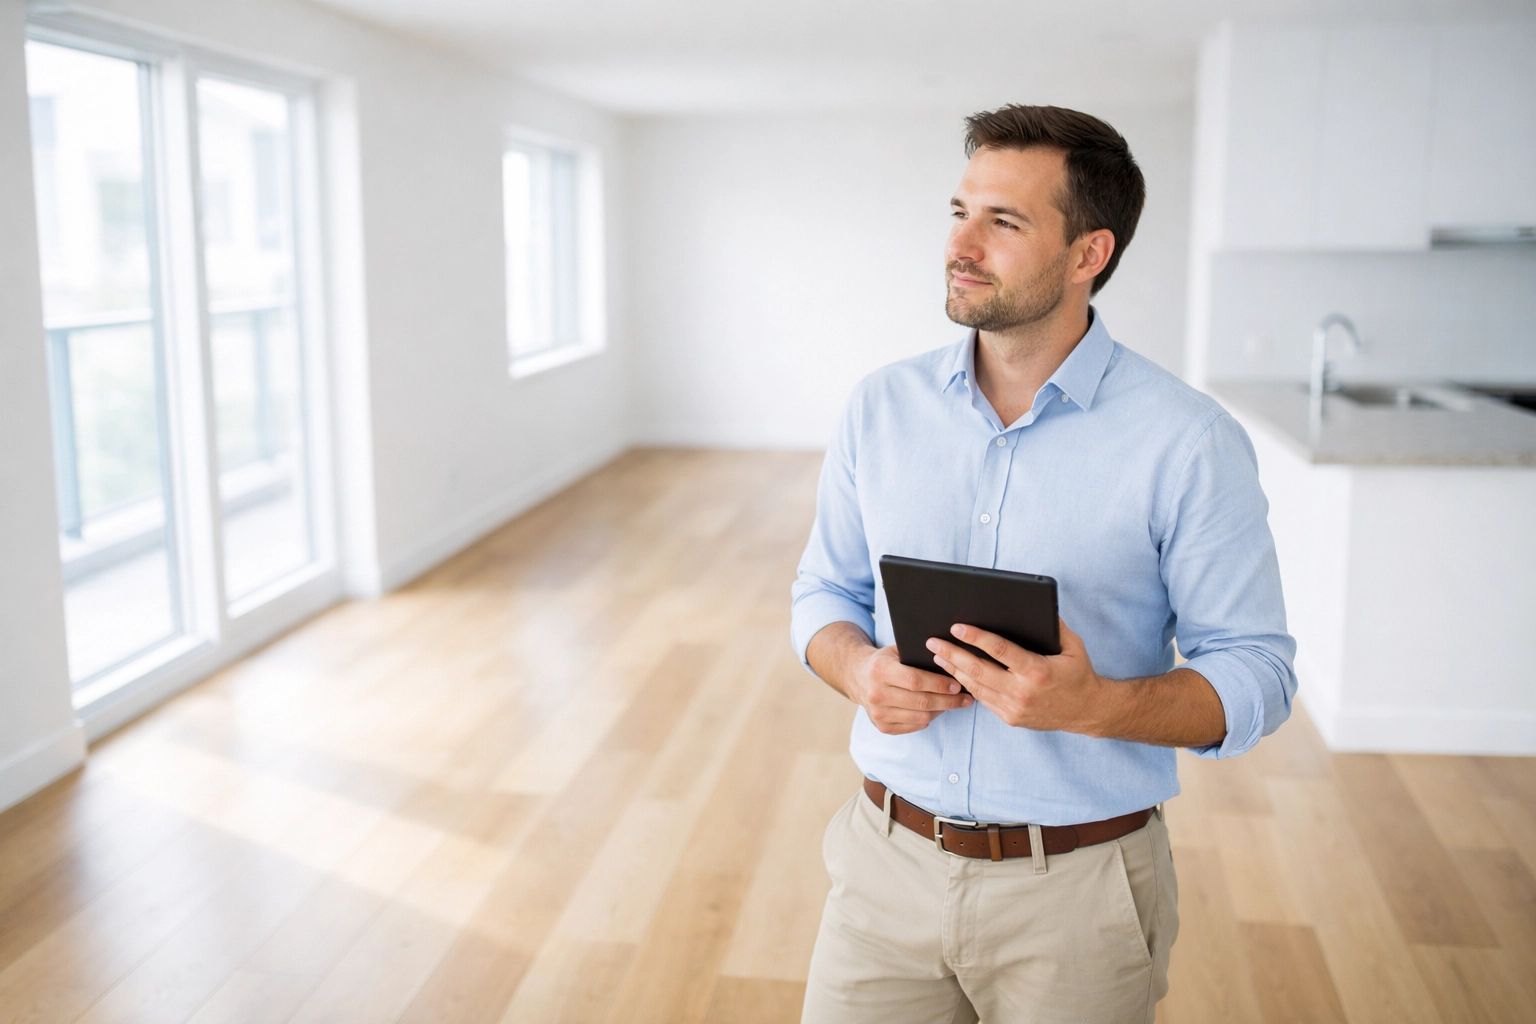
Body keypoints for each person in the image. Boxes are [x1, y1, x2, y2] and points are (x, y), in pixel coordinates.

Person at [790, 104, 1296, 1024]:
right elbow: (825, 591)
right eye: (959, 211)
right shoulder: (880, 408)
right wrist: (858, 668)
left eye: (1004, 222)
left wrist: (1094, 704)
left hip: (1081, 897)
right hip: (880, 869)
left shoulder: (1187, 442)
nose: (961, 244)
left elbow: (1257, 672)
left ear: (1087, 254)